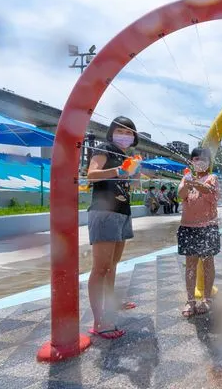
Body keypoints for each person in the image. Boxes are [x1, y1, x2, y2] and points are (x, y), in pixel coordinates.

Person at [86, 116, 140, 339]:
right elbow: (91, 174)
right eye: (121, 131)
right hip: (104, 212)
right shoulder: (104, 147)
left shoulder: (125, 155)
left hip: (121, 213)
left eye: (129, 132)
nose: (125, 136)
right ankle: (99, 321)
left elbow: (131, 185)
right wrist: (118, 170)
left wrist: (134, 172)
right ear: (111, 132)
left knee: (113, 265)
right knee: (101, 268)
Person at [177, 147, 220, 317]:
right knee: (190, 264)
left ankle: (207, 299)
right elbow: (181, 194)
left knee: (208, 263)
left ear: (209, 162)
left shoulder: (212, 178)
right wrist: (188, 183)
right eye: (195, 159)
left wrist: (194, 183)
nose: (199, 162)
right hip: (188, 227)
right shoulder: (186, 177)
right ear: (191, 162)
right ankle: (190, 300)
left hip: (207, 227)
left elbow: (208, 191)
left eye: (202, 159)